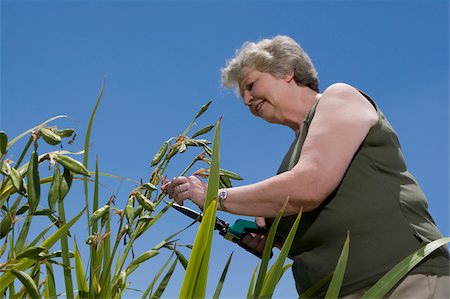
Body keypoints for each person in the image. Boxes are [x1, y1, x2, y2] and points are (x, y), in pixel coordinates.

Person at [162, 35, 449, 298]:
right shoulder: (289, 161)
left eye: (251, 85)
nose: (248, 99)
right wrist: (271, 237)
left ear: (286, 71)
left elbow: (310, 184)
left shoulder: (339, 99)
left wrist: (215, 197)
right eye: (243, 97)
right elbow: (308, 215)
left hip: (402, 280)